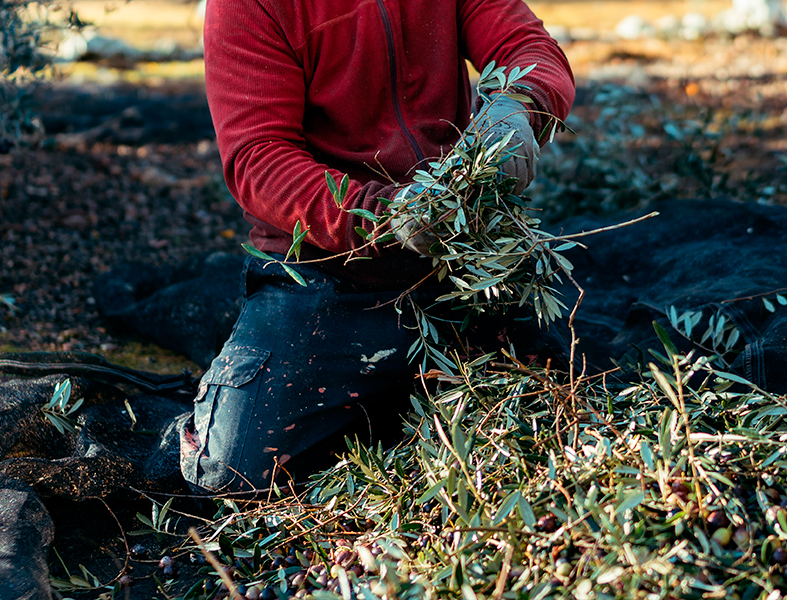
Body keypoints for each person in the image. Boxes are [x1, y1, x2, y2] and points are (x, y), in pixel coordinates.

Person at [179, 0, 575, 494]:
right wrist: (385, 216)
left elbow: (527, 47)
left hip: (459, 260)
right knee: (228, 474)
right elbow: (259, 160)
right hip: (326, 270)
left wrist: (519, 106)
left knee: (557, 411)